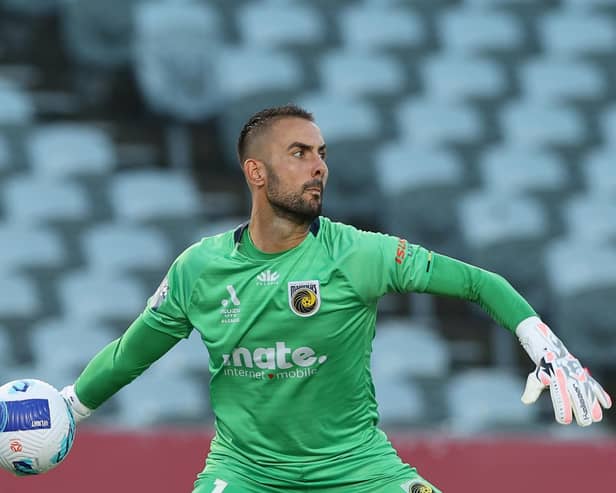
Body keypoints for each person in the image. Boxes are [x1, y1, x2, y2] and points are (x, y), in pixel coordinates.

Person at [61, 104, 612, 493]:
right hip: (247, 473)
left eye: (321, 153)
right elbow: (130, 354)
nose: (319, 165)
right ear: (256, 171)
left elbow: (479, 283)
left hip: (357, 469)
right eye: (299, 153)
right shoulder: (198, 270)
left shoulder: (359, 254)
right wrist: (71, 406)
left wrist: (538, 337)